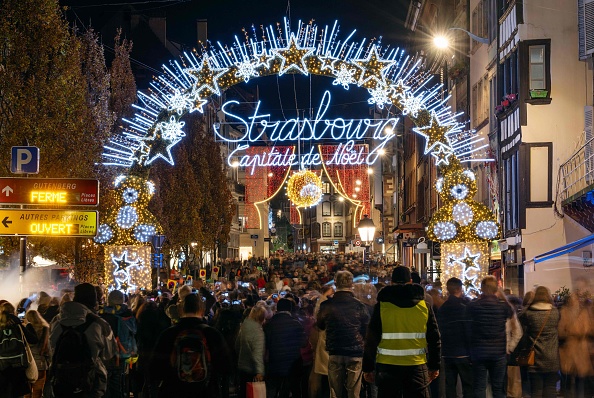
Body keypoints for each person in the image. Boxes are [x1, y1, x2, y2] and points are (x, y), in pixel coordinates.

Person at [362, 266, 441, 398]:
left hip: (387, 367)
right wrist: (434, 366)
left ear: (391, 282)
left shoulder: (382, 306)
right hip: (416, 366)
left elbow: (371, 340)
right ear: (410, 281)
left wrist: (368, 368)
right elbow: (434, 338)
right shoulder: (423, 306)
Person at [149, 292, 233, 397]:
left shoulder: (168, 334)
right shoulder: (212, 334)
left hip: (173, 391)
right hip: (206, 391)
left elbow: (154, 369)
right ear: (202, 310)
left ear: (181, 310)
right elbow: (226, 367)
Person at [49, 283, 117, 398]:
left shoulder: (56, 321)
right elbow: (109, 354)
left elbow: (51, 347)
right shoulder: (99, 323)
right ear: (94, 300)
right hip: (90, 382)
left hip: (60, 379)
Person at [317, 270, 370, 398]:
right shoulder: (360, 306)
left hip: (335, 350)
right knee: (354, 392)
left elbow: (321, 325)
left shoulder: (326, 305)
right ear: (351, 284)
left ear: (336, 283)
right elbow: (366, 329)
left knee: (335, 391)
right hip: (355, 351)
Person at [466, 276, 514, 398]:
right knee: (498, 388)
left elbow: (468, 327)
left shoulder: (473, 306)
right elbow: (511, 318)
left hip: (478, 352)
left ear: (482, 288)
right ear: (496, 289)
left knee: (479, 386)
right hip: (498, 353)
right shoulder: (503, 306)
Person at [517, 286, 559, 398]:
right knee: (550, 389)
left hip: (535, 358)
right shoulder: (555, 313)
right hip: (552, 358)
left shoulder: (529, 314)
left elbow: (519, 317)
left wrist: (528, 304)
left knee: (536, 390)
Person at [436, 277, 472, 398]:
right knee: (467, 384)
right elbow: (467, 330)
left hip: (447, 352)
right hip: (463, 352)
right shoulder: (463, 308)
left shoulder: (442, 309)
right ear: (459, 289)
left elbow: (439, 330)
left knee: (450, 385)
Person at [263, 298, 306, 398]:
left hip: (275, 363)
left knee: (276, 389)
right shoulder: (296, 323)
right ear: (290, 309)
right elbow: (303, 343)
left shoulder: (269, 324)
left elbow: (266, 343)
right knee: (295, 389)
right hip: (293, 364)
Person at [99, 290, 137, 398]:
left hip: (104, 354)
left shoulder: (101, 315)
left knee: (104, 385)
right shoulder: (128, 315)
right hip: (122, 353)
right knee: (119, 384)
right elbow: (134, 331)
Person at [0, 301, 38, 398]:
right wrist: (24, 324)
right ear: (14, 312)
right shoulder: (18, 325)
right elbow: (33, 340)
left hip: (2, 368)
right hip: (18, 367)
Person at [235, 305, 266, 398]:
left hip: (242, 365)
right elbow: (258, 353)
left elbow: (237, 345)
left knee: (243, 392)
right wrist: (259, 372)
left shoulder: (244, 327)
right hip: (252, 369)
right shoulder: (258, 332)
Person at [23, 310, 50, 398]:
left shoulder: (27, 329)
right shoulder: (45, 329)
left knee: (27, 392)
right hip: (41, 364)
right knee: (38, 393)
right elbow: (48, 349)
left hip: (29, 363)